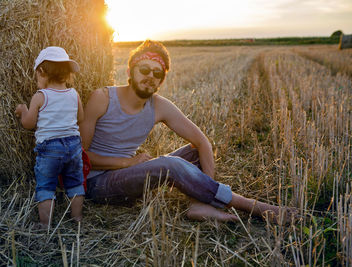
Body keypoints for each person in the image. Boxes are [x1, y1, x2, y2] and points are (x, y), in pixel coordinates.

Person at [80, 40, 292, 223]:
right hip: (98, 184)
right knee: (169, 164)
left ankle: (198, 205)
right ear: (129, 71)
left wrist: (206, 193)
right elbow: (80, 156)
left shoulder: (160, 106)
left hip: (129, 177)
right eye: (143, 69)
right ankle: (250, 206)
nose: (150, 76)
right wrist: (128, 162)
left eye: (157, 73)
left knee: (194, 150)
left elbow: (202, 142)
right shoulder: (103, 98)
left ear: (162, 80)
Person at [15, 46, 85, 228]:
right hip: (74, 146)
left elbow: (29, 124)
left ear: (41, 71)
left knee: (46, 186)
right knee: (75, 183)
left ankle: (45, 224)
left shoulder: (40, 96)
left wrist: (23, 110)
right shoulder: (74, 93)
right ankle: (77, 218)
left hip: (50, 149)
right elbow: (81, 118)